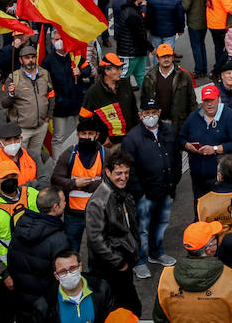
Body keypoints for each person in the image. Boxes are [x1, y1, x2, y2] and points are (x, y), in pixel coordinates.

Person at [121, 92, 181, 277]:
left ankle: (156, 253)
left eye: (153, 111)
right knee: (141, 229)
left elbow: (177, 158)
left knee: (161, 223)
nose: (150, 115)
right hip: (145, 194)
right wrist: (140, 193)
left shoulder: (169, 131)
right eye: (146, 112)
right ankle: (139, 260)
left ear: (160, 112)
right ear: (140, 115)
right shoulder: (132, 138)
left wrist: (174, 181)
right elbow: (128, 169)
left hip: (166, 189)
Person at [0, 159, 40, 323]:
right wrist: (4, 274)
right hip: (5, 276)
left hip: (32, 270)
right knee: (1, 315)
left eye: (13, 176)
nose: (10, 180)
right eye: (5, 178)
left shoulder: (31, 195)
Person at [151, 221, 232, 323]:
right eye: (215, 239)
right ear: (208, 249)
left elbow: (159, 318)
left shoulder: (166, 279)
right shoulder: (231, 279)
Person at [83, 150, 141, 314]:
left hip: (123, 262)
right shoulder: (99, 200)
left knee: (129, 308)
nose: (124, 177)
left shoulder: (120, 192)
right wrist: (119, 262)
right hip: (110, 268)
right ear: (107, 172)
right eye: (119, 173)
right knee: (121, 309)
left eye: (127, 172)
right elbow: (95, 240)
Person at [180, 83, 232, 202]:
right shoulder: (194, 117)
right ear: (202, 101)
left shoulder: (230, 116)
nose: (209, 104)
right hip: (198, 177)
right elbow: (181, 138)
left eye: (212, 100)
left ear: (219, 99)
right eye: (206, 100)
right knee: (201, 209)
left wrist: (215, 149)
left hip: (222, 177)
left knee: (221, 210)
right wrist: (187, 146)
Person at [7, 187, 70, 308]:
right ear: (55, 207)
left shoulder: (21, 226)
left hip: (22, 299)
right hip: (46, 301)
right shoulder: (59, 240)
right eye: (63, 201)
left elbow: (11, 259)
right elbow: (63, 276)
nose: (65, 203)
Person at [51, 118, 106, 253]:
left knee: (97, 249)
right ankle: (74, 273)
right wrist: (74, 183)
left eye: (90, 134)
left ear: (97, 135)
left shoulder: (105, 154)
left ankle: (95, 273)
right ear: (78, 135)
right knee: (71, 248)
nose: (87, 137)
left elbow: (110, 180)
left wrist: (88, 186)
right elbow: (55, 179)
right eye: (83, 134)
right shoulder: (69, 154)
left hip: (97, 213)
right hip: (73, 214)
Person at [0, 45, 55, 168]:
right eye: (27, 58)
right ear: (20, 60)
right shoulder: (13, 78)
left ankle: (33, 181)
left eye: (33, 57)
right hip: (22, 130)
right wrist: (11, 94)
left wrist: (48, 117)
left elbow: (51, 96)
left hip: (40, 126)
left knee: (34, 158)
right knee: (20, 159)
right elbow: (4, 104)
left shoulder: (44, 74)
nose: (30, 60)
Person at [29, 249, 115, 323]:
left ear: (80, 267)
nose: (69, 273)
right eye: (62, 271)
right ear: (56, 276)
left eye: (72, 268)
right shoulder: (45, 305)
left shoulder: (101, 288)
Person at [81, 53, 139, 145]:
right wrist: (102, 138)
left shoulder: (125, 84)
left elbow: (134, 110)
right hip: (110, 144)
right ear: (107, 71)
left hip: (131, 139)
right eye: (117, 68)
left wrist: (138, 132)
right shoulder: (93, 92)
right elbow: (84, 119)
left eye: (120, 68)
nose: (120, 71)